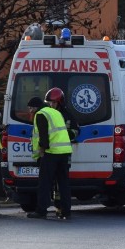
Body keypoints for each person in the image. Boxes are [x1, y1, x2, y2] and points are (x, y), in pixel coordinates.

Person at [27, 92, 73, 220]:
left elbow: (43, 135)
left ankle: (41, 211)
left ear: (36, 107)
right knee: (63, 183)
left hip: (51, 152)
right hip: (65, 151)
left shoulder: (41, 114)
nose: (30, 111)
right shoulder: (55, 112)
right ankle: (66, 211)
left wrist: (42, 150)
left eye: (31, 108)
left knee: (44, 183)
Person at [45, 87, 79, 216]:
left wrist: (64, 135)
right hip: (50, 152)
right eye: (49, 103)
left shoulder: (67, 115)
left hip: (63, 154)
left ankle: (62, 208)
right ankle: (57, 206)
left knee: (62, 183)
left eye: (53, 103)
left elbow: (76, 131)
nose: (51, 105)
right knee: (52, 183)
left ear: (60, 102)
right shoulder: (46, 114)